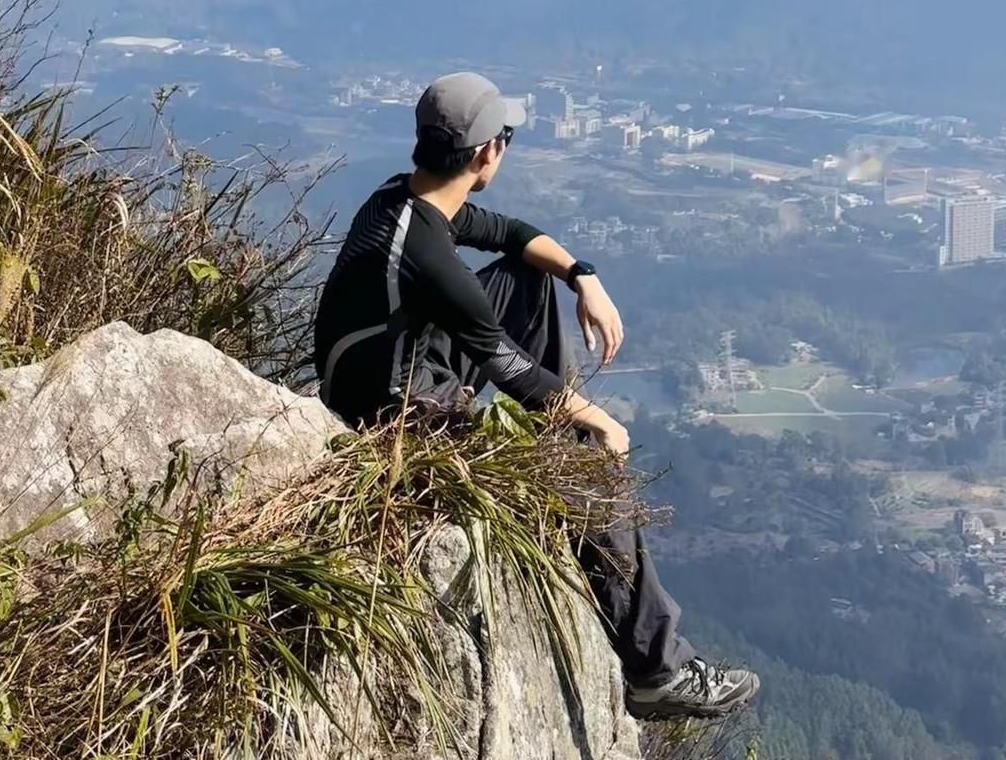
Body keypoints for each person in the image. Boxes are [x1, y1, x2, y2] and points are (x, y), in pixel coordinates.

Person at [315, 71, 759, 722]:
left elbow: (512, 233)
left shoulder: (402, 203)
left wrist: (584, 275)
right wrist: (600, 422)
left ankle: (565, 442)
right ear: (484, 153)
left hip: (386, 365)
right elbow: (508, 365)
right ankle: (655, 669)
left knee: (526, 276)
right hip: (398, 415)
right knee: (583, 475)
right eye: (506, 137)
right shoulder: (429, 259)